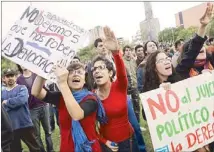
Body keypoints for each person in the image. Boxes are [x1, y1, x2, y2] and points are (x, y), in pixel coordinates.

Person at [31, 62, 107, 152]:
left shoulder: (91, 99)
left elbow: (77, 115)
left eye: (79, 72)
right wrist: (43, 72)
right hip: (67, 148)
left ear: (84, 79)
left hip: (88, 148)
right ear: (66, 78)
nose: (75, 74)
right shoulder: (61, 98)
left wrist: (63, 83)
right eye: (71, 72)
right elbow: (36, 92)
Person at [92, 26, 140, 152]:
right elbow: (89, 127)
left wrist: (115, 53)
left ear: (110, 73)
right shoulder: (92, 97)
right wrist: (104, 141)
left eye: (101, 68)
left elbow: (122, 73)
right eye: (94, 69)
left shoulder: (119, 86)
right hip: (108, 145)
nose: (97, 71)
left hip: (128, 141)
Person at [16, 65, 53, 152]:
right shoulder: (19, 80)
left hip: (43, 105)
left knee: (48, 131)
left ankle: (50, 150)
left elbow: (44, 88)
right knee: (36, 134)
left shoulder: (36, 75)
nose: (23, 65)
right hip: (31, 109)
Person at [1, 69, 40, 152]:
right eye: (8, 76)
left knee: (35, 148)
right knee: (15, 149)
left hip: (25, 124)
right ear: (3, 78)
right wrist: (13, 103)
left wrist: (7, 102)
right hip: (11, 127)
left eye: (12, 76)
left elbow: (22, 100)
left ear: (16, 77)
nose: (10, 78)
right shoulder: (2, 93)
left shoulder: (22, 88)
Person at [123, 45, 141, 122]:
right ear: (124, 52)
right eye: (126, 50)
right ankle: (130, 124)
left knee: (137, 105)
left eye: (129, 50)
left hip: (135, 87)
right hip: (126, 88)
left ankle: (138, 123)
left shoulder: (134, 61)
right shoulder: (121, 61)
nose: (128, 52)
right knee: (129, 107)